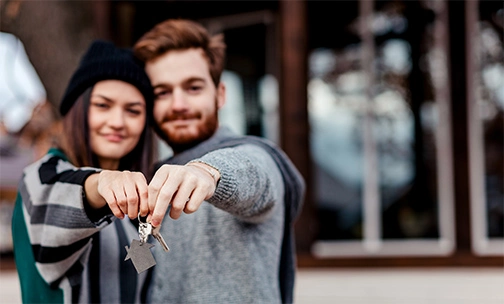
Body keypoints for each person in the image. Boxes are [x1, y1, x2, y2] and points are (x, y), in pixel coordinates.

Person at [133, 19, 305, 304]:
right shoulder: (153, 182)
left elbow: (255, 176)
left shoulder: (256, 156)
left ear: (220, 94)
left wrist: (208, 173)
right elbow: (148, 271)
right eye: (163, 92)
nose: (178, 104)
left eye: (193, 88)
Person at [12, 40, 155, 303]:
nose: (117, 122)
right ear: (77, 109)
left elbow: (142, 279)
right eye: (102, 105)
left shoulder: (138, 203)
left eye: (133, 111)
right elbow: (60, 201)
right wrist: (103, 182)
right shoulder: (41, 177)